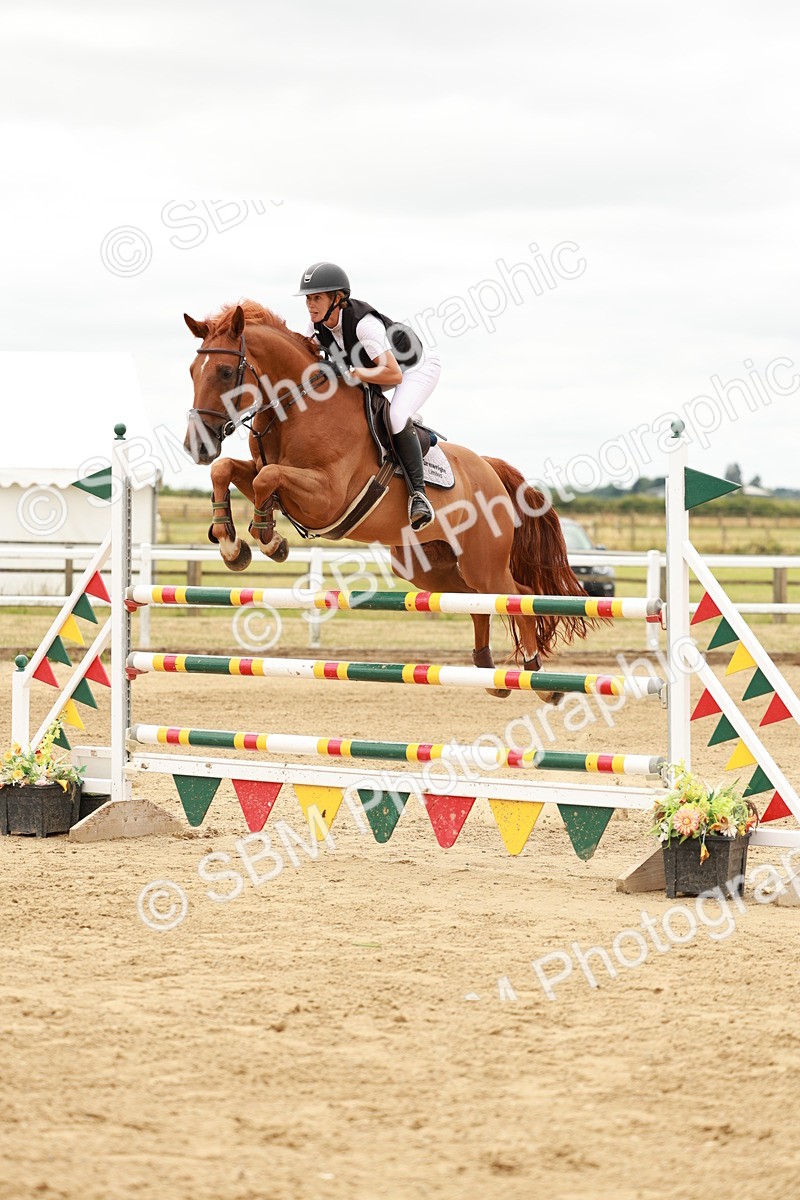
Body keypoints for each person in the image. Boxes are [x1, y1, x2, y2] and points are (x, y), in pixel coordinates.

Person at [296, 261, 441, 531]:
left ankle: (418, 495)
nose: (311, 305)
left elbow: (393, 375)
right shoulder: (317, 327)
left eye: (317, 298)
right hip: (378, 370)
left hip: (414, 368)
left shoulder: (364, 325)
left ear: (337, 299)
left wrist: (351, 372)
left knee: (397, 416)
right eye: (308, 299)